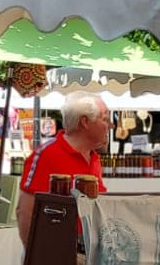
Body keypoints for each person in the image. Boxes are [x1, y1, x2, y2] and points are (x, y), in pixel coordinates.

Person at [16, 92, 111, 246]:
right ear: (85, 122)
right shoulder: (47, 155)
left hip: (89, 253)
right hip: (56, 254)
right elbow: (25, 212)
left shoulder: (93, 158)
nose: (110, 125)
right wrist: (36, 258)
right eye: (105, 119)